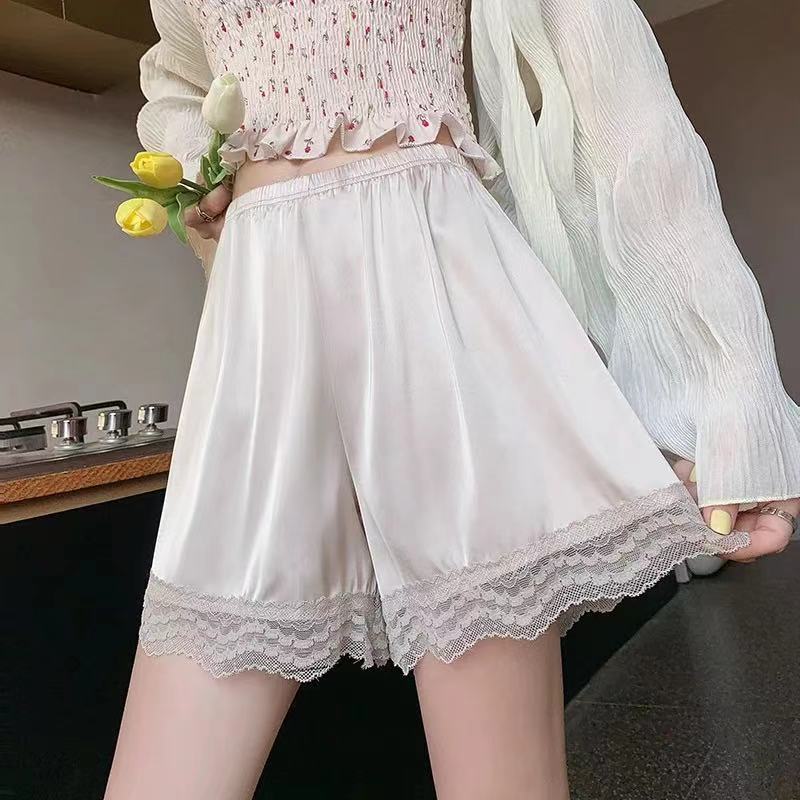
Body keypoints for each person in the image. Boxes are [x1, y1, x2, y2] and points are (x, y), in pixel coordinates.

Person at [104, 1, 800, 798]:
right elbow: (175, 76)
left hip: (433, 284)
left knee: (498, 776)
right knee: (177, 725)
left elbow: (622, 108)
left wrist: (733, 398)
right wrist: (199, 163)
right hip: (261, 315)